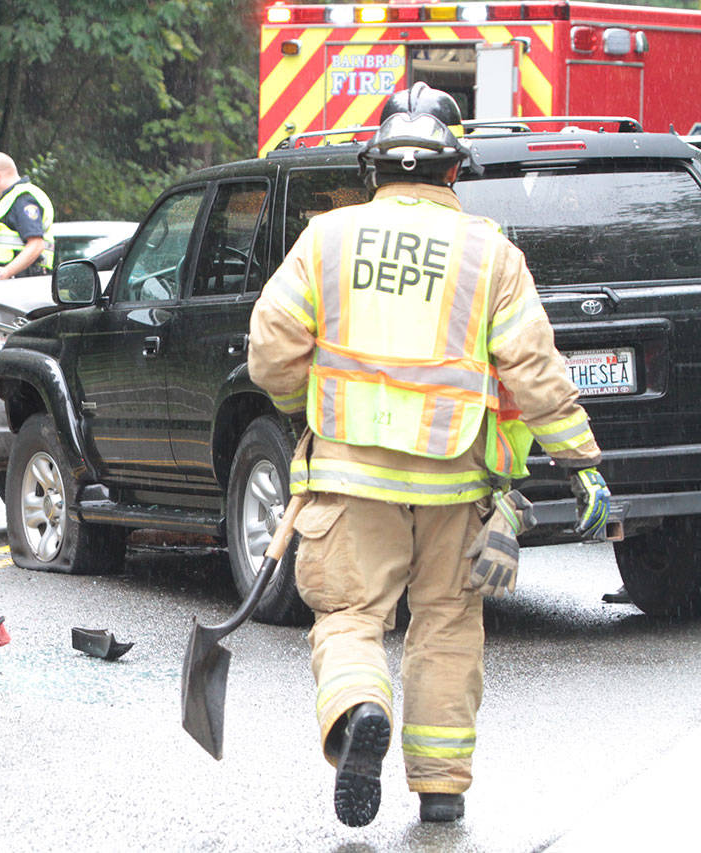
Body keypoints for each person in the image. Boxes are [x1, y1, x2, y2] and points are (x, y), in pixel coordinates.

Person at [248, 84, 611, 826]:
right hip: (455, 482)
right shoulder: (491, 253)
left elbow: (268, 352)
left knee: (349, 615)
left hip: (349, 476)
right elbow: (534, 369)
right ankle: (441, 788)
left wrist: (300, 404)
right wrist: (582, 463)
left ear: (375, 167)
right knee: (446, 624)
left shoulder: (326, 239)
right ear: (454, 172)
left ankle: (359, 712)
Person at [0, 152, 55, 279]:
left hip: (21, 283)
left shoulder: (22, 200)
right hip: (18, 282)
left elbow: (36, 245)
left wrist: (6, 272)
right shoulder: (12, 199)